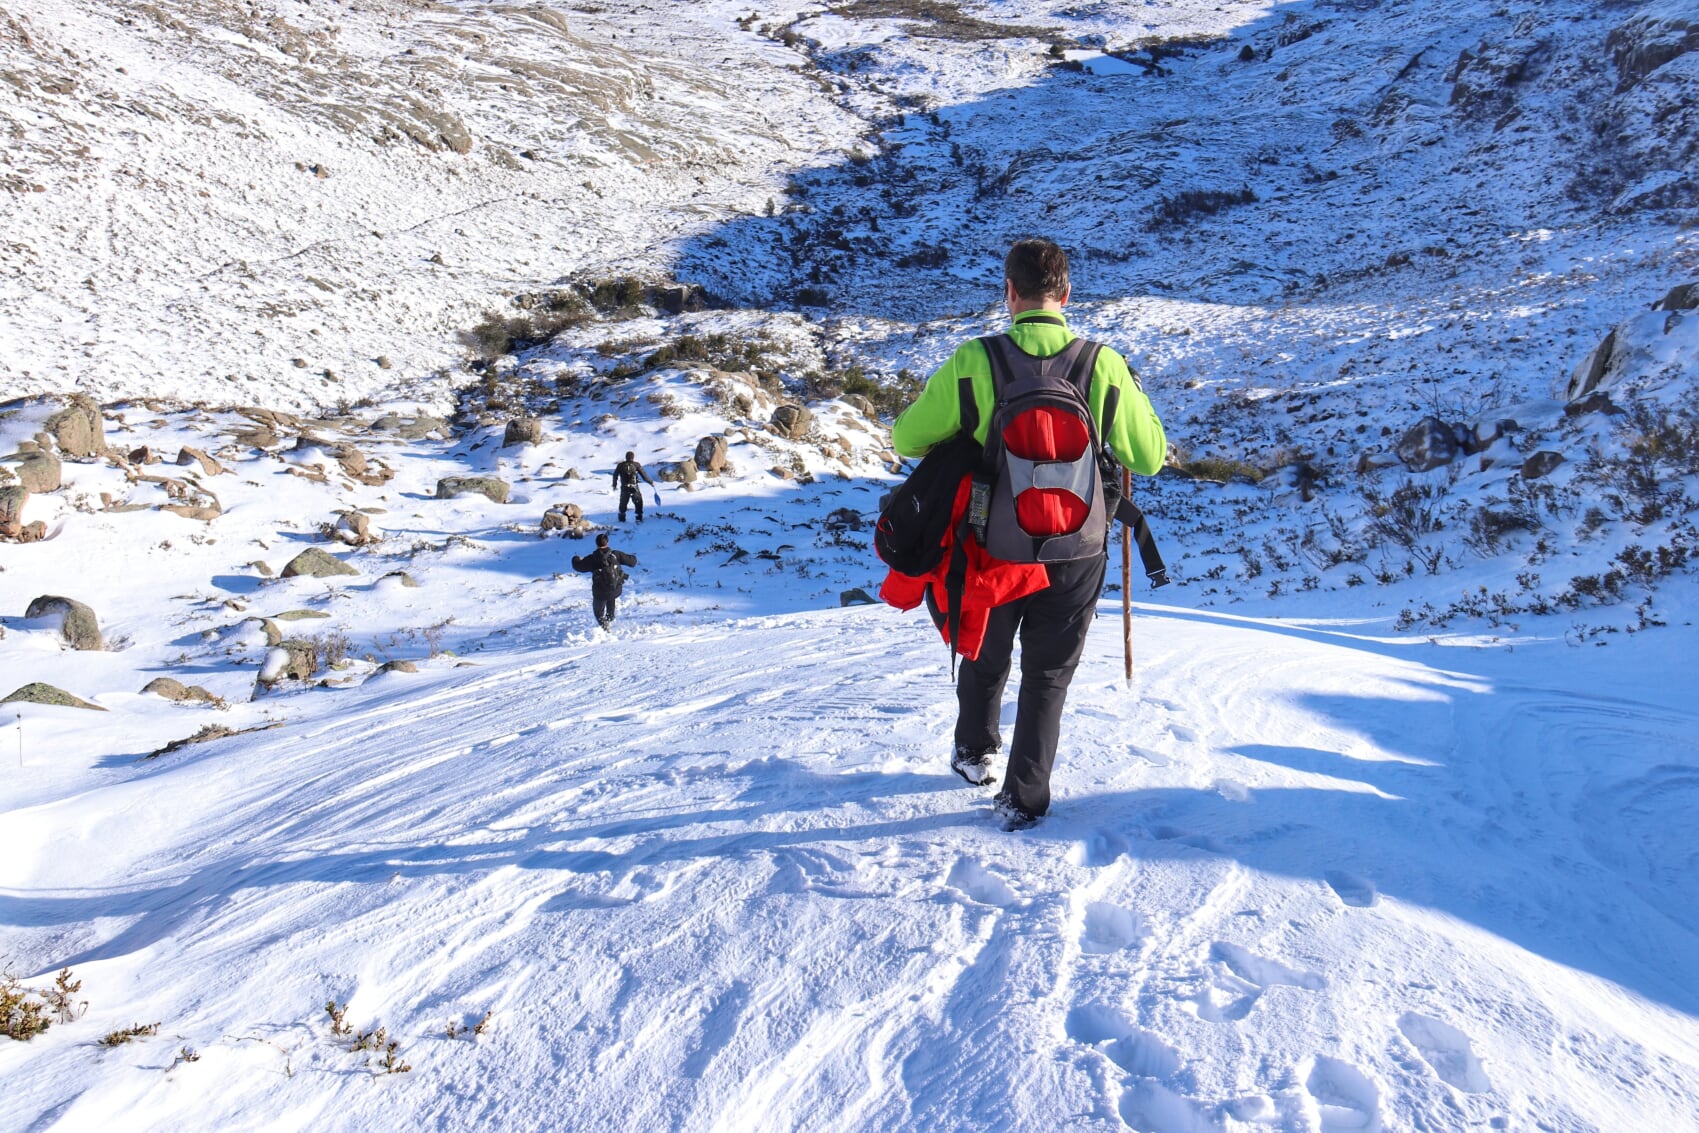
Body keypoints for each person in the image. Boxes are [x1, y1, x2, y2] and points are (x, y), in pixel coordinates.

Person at [890, 239, 1167, 829]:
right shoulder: (1103, 363)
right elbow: (1151, 456)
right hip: (1079, 548)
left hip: (993, 547)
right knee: (1048, 675)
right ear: (1066, 296)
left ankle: (974, 751)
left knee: (986, 654)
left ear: (1009, 294)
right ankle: (1024, 796)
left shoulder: (974, 360)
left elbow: (907, 440)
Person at [572, 533, 638, 630]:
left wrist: (576, 559)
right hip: (615, 589)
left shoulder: (592, 559)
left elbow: (577, 566)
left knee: (598, 612)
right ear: (607, 542)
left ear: (596, 544)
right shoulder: (615, 555)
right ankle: (610, 619)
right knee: (611, 597)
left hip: (600, 592)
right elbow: (633, 562)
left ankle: (605, 628)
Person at [611, 451, 654, 522]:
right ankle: (638, 517)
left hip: (624, 487)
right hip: (634, 486)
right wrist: (651, 482)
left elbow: (615, 475)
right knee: (638, 502)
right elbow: (644, 475)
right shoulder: (636, 465)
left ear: (626, 457)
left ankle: (622, 517)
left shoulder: (620, 465)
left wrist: (614, 485)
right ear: (633, 457)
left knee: (623, 502)